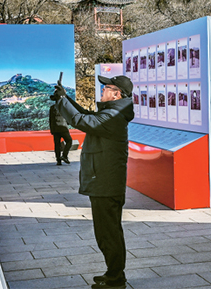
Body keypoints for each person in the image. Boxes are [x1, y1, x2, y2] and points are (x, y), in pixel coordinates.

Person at [53, 75, 134, 289]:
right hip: (104, 182)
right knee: (107, 232)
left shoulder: (114, 116)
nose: (102, 90)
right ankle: (113, 273)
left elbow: (82, 121)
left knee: (109, 234)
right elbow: (86, 116)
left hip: (106, 184)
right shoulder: (112, 113)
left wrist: (62, 101)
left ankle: (116, 279)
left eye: (106, 87)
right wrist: (65, 99)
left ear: (116, 94)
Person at [48, 92, 73, 166]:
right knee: (69, 141)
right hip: (63, 127)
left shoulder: (52, 107)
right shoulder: (64, 107)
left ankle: (58, 160)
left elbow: (50, 119)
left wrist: (52, 129)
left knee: (57, 144)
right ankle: (64, 155)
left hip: (55, 128)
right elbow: (68, 117)